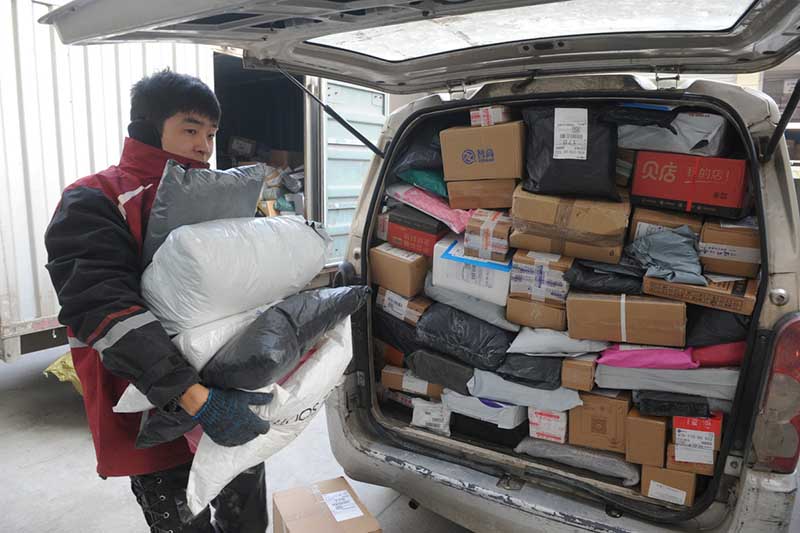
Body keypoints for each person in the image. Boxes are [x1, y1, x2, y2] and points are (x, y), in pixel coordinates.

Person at [44, 69, 271, 533]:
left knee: (247, 519)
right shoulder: (95, 198)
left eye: (210, 133)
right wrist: (195, 399)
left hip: (229, 397)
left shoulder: (222, 196)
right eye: (190, 129)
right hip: (147, 404)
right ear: (146, 129)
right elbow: (101, 306)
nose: (204, 145)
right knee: (183, 523)